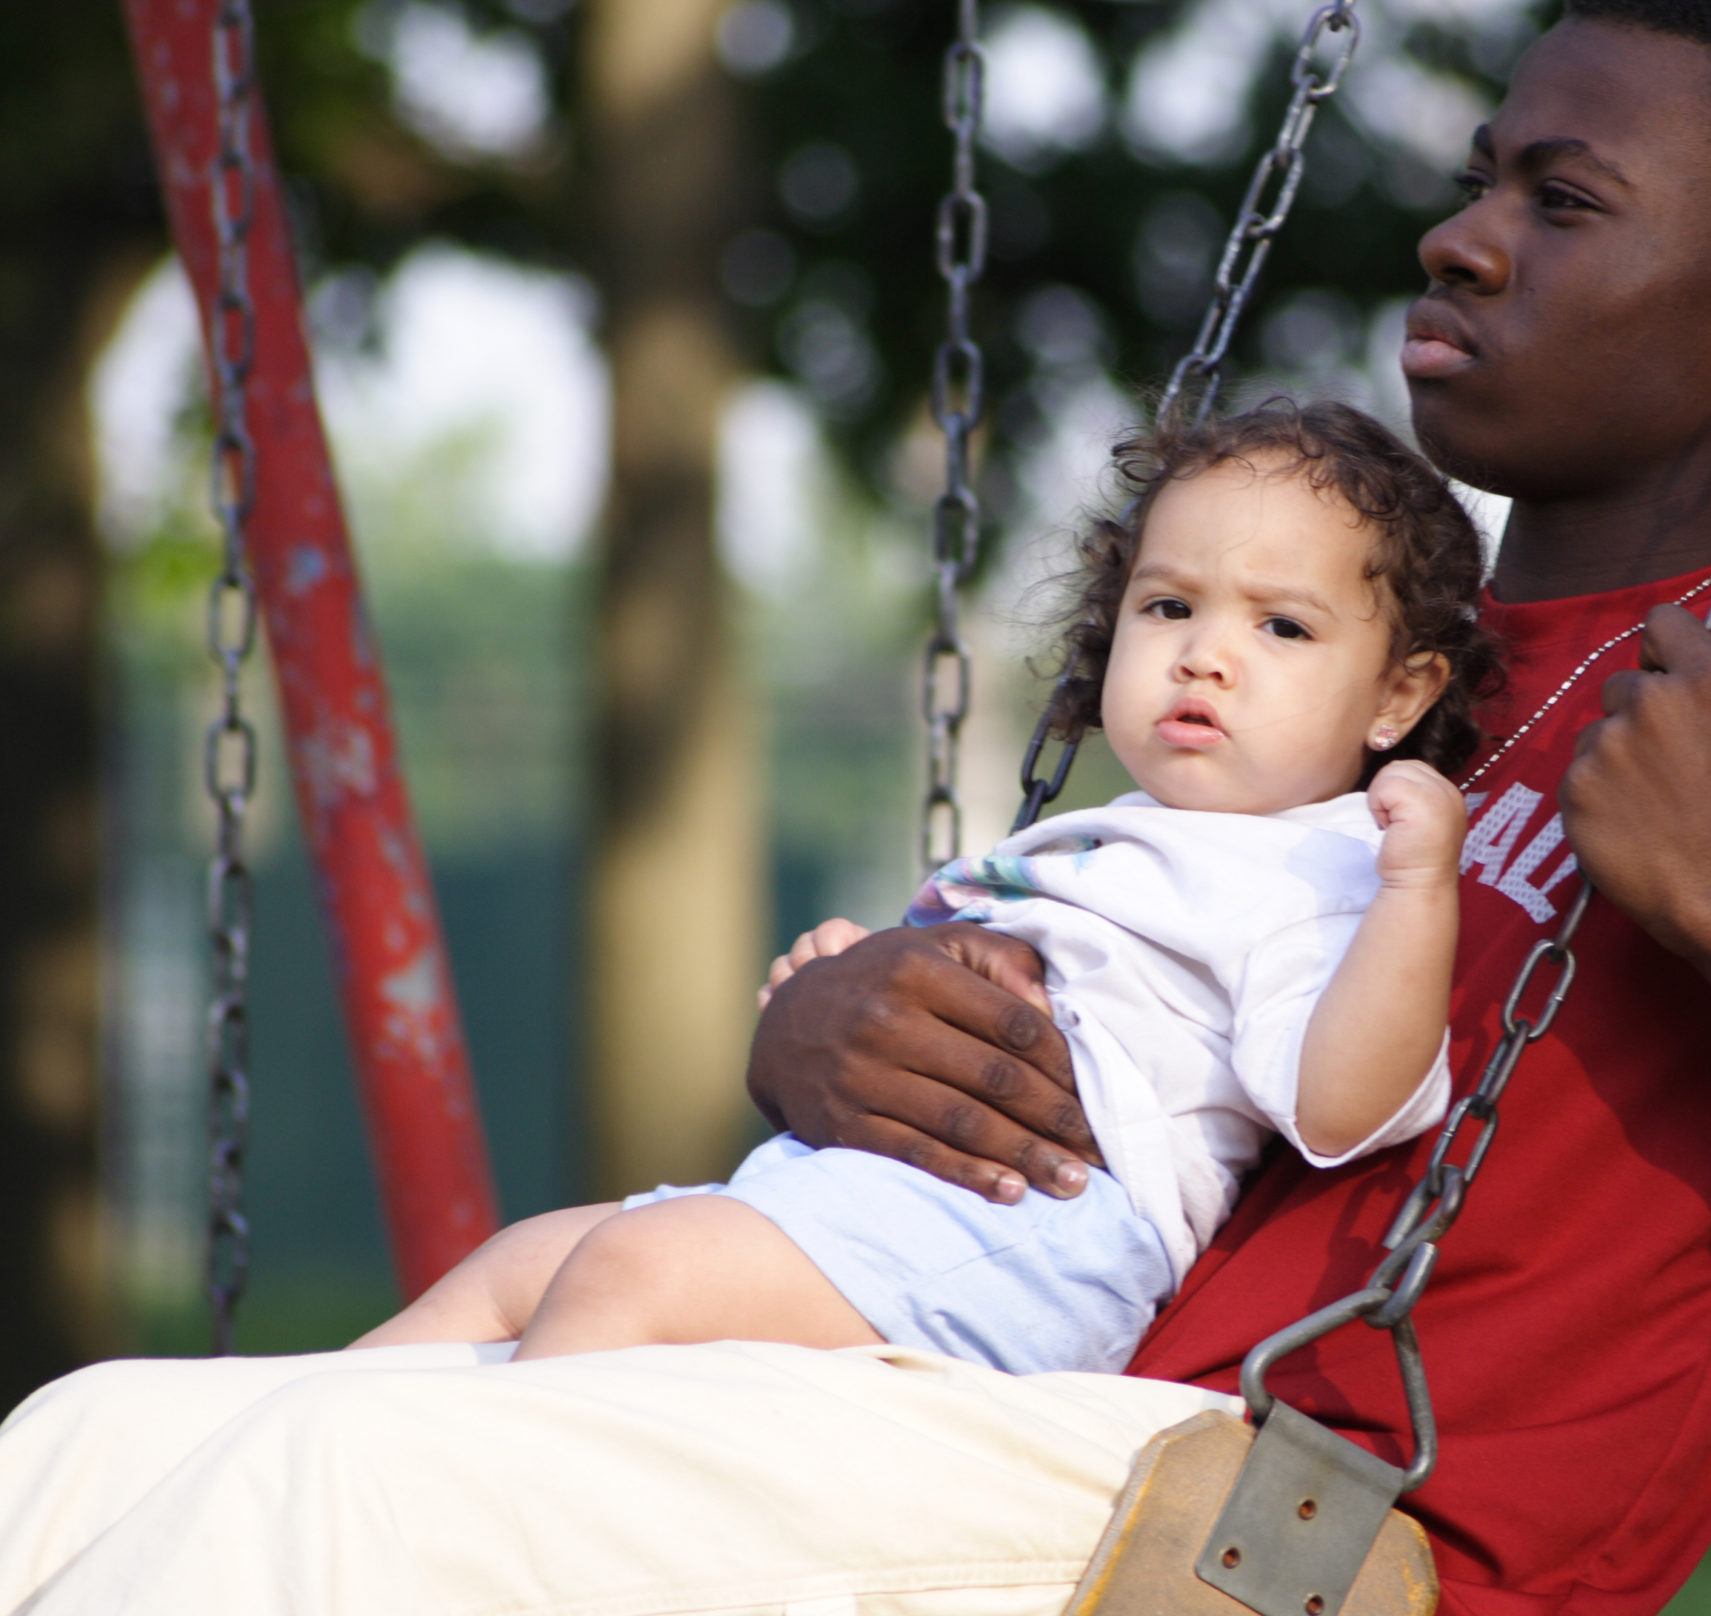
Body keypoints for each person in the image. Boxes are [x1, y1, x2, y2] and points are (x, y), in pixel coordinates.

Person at [0, 3, 1711, 1616]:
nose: (1459, 231)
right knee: (85, 1452)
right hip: (1009, 1405)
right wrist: (833, 1023)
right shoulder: (1368, 650)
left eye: (1565, 198)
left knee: (315, 1516)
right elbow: (1127, 984)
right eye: (1475, 172)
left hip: (1277, 1543)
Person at [350, 403, 1492, 1375]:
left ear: (1397, 697)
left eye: (1281, 625)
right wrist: (856, 973)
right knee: (518, 1266)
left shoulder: (1323, 866)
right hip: (867, 1195)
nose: (1203, 654)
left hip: (1034, 1229)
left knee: (632, 1278)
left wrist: (1416, 892)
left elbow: (1343, 1109)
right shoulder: (1117, 839)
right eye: (1168, 606)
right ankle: (282, 1444)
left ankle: (489, 1547)